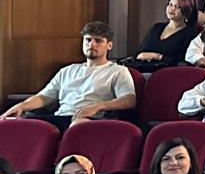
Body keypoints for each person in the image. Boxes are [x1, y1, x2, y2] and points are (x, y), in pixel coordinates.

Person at [1, 22, 136, 129]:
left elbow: (129, 100)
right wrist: (21, 106)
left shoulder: (118, 71)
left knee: (78, 125)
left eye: (98, 41)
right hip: (61, 117)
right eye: (88, 40)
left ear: (109, 45)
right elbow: (44, 97)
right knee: (15, 122)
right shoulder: (67, 71)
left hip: (91, 119)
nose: (92, 44)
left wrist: (98, 107)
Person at [129, 0, 200, 69]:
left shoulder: (190, 34)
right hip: (141, 67)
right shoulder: (157, 27)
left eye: (177, 7)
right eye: (170, 4)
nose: (172, 9)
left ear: (186, 12)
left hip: (166, 72)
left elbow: (183, 61)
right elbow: (139, 52)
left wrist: (157, 56)